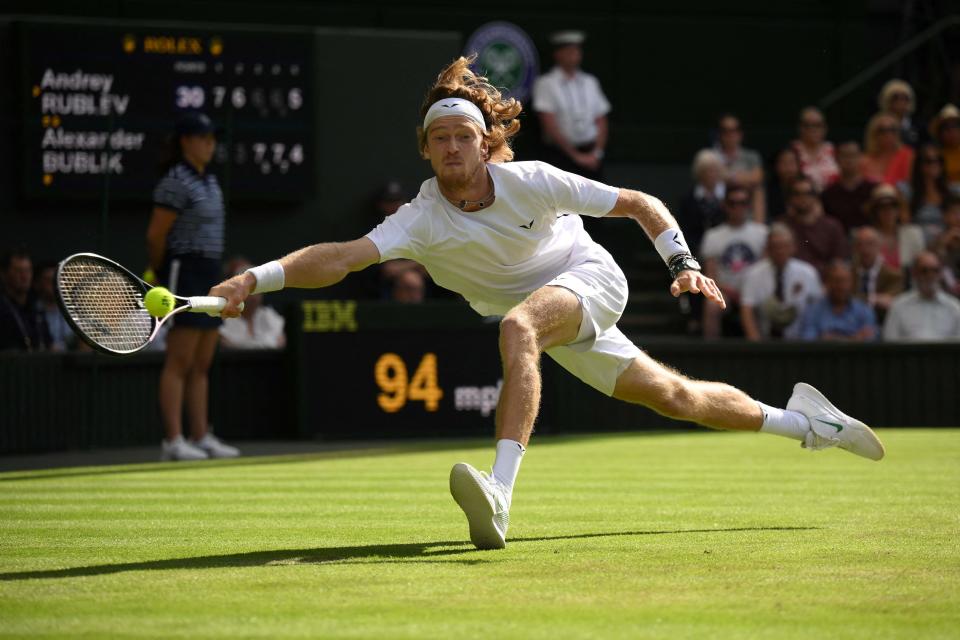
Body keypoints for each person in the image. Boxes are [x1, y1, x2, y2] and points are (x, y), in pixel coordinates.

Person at [210, 57, 885, 551]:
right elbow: (342, 255)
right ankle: (807, 424)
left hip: (589, 278)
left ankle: (500, 492)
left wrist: (682, 265)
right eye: (438, 138)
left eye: (462, 136)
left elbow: (639, 205)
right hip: (553, 316)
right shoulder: (418, 216)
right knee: (674, 397)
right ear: (425, 150)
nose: (450, 146)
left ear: (484, 144)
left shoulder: (531, 181)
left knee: (518, 324)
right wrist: (254, 280)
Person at [147, 112, 240, 461]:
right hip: (182, 271)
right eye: (203, 138)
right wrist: (160, 271)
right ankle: (173, 439)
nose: (210, 144)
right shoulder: (174, 181)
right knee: (180, 360)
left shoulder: (211, 181)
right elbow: (155, 236)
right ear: (185, 141)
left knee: (202, 361)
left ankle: (200, 435)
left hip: (210, 272)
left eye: (212, 138)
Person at [532, 31, 610, 180]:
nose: (574, 54)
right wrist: (575, 156)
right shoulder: (546, 84)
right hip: (560, 158)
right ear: (558, 54)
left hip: (592, 156)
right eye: (569, 51)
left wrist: (596, 153)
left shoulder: (590, 82)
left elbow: (601, 119)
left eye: (577, 50)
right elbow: (549, 125)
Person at [699, 184, 768, 337]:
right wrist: (730, 291)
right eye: (733, 203)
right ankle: (710, 353)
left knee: (767, 302)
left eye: (742, 203)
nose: (738, 207)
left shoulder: (762, 233)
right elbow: (710, 276)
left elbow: (765, 269)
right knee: (711, 305)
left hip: (755, 289)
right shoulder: (713, 235)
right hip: (725, 291)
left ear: (748, 206)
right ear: (725, 205)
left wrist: (749, 290)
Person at [740, 224, 823, 341]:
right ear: (768, 248)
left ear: (793, 247)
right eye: (775, 246)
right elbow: (746, 310)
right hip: (764, 341)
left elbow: (818, 308)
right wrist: (756, 344)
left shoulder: (808, 273)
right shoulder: (753, 274)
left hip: (801, 342)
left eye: (785, 246)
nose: (780, 251)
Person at [780, 175, 849, 275]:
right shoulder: (782, 226)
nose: (802, 198)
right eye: (797, 194)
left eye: (808, 194)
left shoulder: (832, 226)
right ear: (790, 198)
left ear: (815, 197)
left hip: (825, 282)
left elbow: (839, 262)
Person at [883, 251, 960, 340]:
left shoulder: (955, 308)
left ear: (941, 274)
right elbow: (889, 342)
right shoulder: (899, 306)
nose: (930, 275)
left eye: (935, 270)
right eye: (924, 271)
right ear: (914, 273)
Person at [799, 260, 877, 341]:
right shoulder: (813, 310)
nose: (841, 286)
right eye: (837, 281)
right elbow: (808, 340)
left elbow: (870, 340)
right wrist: (853, 339)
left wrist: (828, 338)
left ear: (852, 283)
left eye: (845, 281)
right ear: (827, 283)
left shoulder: (864, 311)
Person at [218, 258, 286, 350]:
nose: (254, 295)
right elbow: (227, 345)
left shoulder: (270, 316)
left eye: (258, 288)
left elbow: (281, 343)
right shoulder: (222, 320)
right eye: (249, 289)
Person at [899, 143, 958, 243]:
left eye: (938, 160)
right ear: (919, 165)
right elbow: (905, 224)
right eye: (929, 161)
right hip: (918, 244)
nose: (934, 164)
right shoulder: (907, 191)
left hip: (947, 243)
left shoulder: (952, 191)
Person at [714, 114, 765, 221]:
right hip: (720, 201)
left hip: (746, 200)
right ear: (719, 134)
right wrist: (743, 178)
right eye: (725, 131)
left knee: (758, 190)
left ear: (740, 133)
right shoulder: (713, 156)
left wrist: (729, 177)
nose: (730, 134)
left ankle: (759, 227)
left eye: (734, 130)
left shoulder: (751, 156)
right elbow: (713, 179)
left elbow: (757, 177)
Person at [676, 149, 726, 255]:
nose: (712, 175)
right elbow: (684, 229)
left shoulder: (729, 197)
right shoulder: (688, 199)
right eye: (707, 171)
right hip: (696, 251)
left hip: (724, 248)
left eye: (714, 170)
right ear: (699, 173)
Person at [866, 183, 924, 273]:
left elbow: (921, 265)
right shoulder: (867, 237)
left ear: (899, 209)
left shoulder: (913, 234)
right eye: (882, 206)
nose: (888, 211)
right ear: (875, 211)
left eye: (893, 205)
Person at [0, 248, 50, 352]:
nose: (24, 276)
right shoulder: (3, 309)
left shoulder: (37, 309)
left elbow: (47, 344)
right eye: (18, 271)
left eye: (28, 270)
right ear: (4, 274)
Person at [821, 141, 877, 233]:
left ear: (861, 158)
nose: (849, 160)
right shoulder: (828, 195)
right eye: (844, 156)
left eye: (853, 155)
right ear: (836, 159)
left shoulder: (873, 190)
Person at [852, 226, 904, 325]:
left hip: (882, 323)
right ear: (855, 248)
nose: (865, 249)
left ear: (879, 246)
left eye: (870, 244)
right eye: (860, 244)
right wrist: (874, 299)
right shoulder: (848, 273)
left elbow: (891, 303)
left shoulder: (893, 275)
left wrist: (856, 299)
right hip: (851, 324)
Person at [861, 112, 914, 186]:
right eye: (882, 130)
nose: (888, 134)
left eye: (892, 129)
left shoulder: (907, 156)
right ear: (874, 134)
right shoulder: (864, 161)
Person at [792, 107, 839, 191]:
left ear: (825, 128)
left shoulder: (835, 150)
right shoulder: (792, 150)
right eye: (807, 125)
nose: (812, 129)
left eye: (818, 125)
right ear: (799, 128)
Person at [33, 261, 76, 351]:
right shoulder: (31, 313)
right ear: (37, 284)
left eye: (56, 280)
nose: (54, 284)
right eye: (48, 280)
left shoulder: (73, 313)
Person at [877, 79, 918, 147]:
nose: (901, 102)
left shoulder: (918, 126)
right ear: (887, 101)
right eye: (896, 98)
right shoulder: (879, 126)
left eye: (905, 98)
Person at [765, 147, 803, 220]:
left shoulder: (807, 185)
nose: (788, 167)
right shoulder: (767, 189)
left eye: (791, 162)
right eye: (784, 163)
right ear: (775, 166)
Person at [933, 198, 960, 297]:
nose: (959, 217)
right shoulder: (938, 241)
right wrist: (942, 246)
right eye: (954, 213)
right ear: (945, 217)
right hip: (945, 293)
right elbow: (933, 268)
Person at [929, 104, 960, 186]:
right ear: (940, 133)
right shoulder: (934, 155)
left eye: (956, 126)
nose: (951, 131)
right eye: (946, 127)